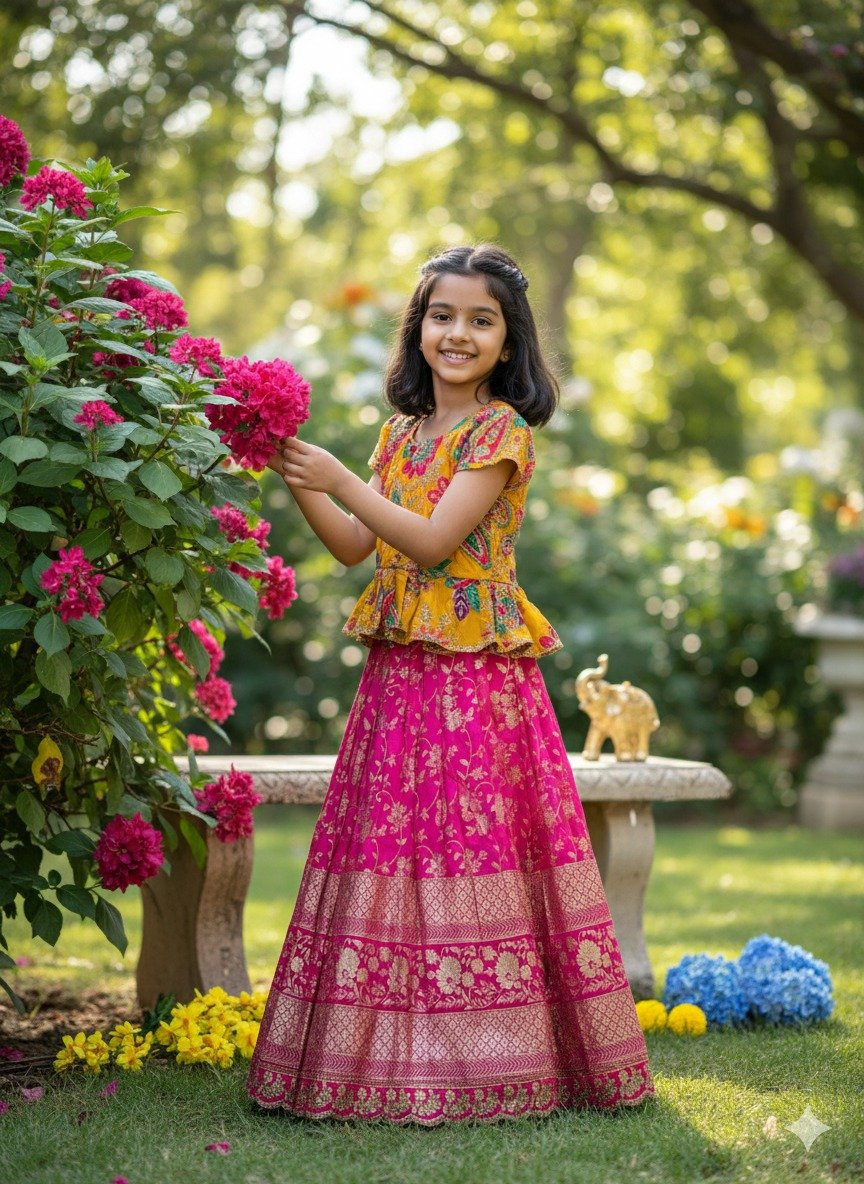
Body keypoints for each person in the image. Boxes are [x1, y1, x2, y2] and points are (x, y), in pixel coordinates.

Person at [246, 244, 655, 1124]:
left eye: (481, 319)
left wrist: (342, 480)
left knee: (473, 855)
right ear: (417, 328)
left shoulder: (501, 434)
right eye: (442, 315)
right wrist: (301, 473)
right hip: (399, 680)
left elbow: (432, 543)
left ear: (508, 342)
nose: (458, 333)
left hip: (474, 684)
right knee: (394, 857)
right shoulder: (401, 433)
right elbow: (360, 547)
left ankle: (493, 1062)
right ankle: (390, 1053)